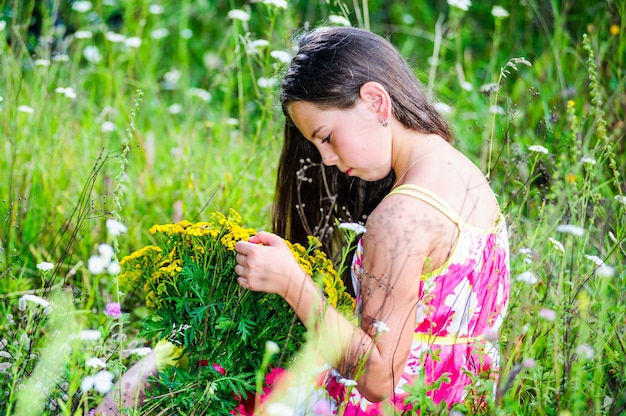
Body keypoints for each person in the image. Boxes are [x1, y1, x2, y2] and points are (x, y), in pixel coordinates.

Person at [232, 26, 510, 414]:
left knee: (209, 373)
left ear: (376, 101)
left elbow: (378, 378)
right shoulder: (463, 174)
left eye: (326, 137)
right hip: (460, 401)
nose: (326, 158)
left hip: (394, 406)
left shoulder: (399, 218)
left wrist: (292, 283)